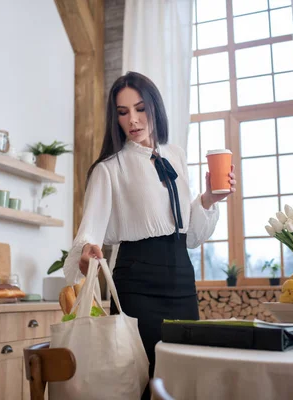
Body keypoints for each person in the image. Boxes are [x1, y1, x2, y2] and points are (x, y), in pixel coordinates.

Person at [62, 71, 236, 399]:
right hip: (137, 285)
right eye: (123, 112)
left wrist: (210, 199)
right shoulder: (109, 168)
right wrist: (87, 253)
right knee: (140, 382)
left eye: (140, 108)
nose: (134, 119)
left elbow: (190, 235)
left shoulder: (177, 155)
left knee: (184, 378)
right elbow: (90, 233)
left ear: (155, 107)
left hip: (182, 281)